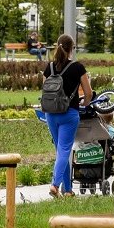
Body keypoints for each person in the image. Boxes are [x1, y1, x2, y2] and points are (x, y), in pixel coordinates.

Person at [41, 34, 93, 198]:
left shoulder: (48, 67)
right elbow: (88, 93)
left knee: (60, 152)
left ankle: (68, 190)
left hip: (50, 114)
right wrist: (84, 104)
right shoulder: (78, 67)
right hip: (69, 114)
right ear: (72, 49)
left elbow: (45, 91)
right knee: (64, 151)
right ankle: (55, 185)